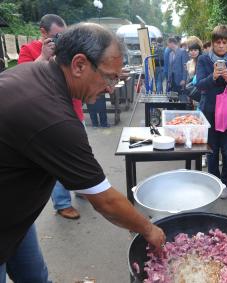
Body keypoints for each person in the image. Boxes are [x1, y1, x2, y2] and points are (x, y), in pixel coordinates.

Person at [0, 23, 165, 282]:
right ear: (79, 65)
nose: (111, 88)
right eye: (110, 77)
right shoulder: (54, 118)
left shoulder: (36, 72)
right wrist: (148, 229)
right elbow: (106, 202)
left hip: (15, 218)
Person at [18, 14, 82, 220]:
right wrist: (44, 56)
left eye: (63, 35)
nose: (60, 40)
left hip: (72, 109)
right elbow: (20, 80)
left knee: (79, 153)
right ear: (43, 33)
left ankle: (82, 186)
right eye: (56, 36)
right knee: (57, 160)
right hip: (45, 116)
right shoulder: (29, 51)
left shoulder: (68, 49)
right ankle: (62, 203)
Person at [196, 24, 227, 199]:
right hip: (209, 111)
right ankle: (214, 182)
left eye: (224, 42)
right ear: (213, 43)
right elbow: (199, 84)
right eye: (218, 42)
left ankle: (225, 183)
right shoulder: (203, 60)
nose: (221, 45)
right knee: (212, 150)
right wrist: (214, 76)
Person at [167, 37, 189, 102]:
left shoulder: (182, 52)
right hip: (172, 80)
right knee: (173, 98)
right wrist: (168, 80)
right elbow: (169, 67)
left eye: (168, 44)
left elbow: (185, 67)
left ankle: (184, 110)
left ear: (172, 43)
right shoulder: (170, 54)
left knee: (182, 98)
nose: (167, 46)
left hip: (180, 80)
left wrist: (184, 79)